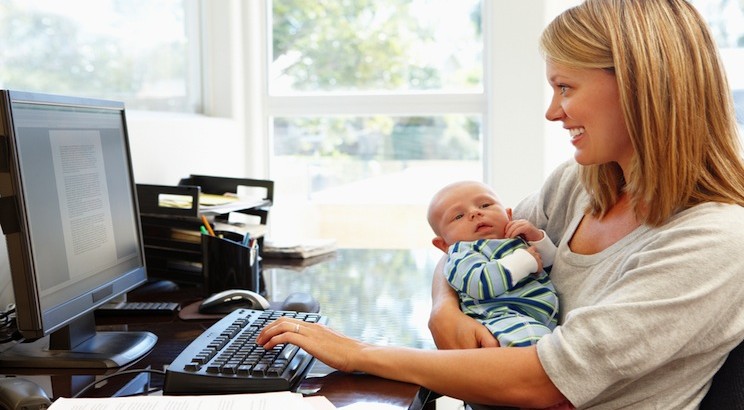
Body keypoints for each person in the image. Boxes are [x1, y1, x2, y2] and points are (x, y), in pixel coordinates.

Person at [258, 0, 744, 407]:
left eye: (565, 87)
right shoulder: (578, 185)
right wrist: (442, 307)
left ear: (640, 87)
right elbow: (468, 243)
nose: (553, 111)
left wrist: (359, 353)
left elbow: (545, 381)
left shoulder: (714, 239)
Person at [427, 180, 559, 348]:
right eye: (458, 216)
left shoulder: (516, 237)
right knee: (539, 350)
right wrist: (524, 261)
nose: (474, 213)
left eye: (485, 205)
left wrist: (536, 238)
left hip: (533, 321)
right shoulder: (463, 253)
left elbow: (554, 266)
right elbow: (479, 282)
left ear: (508, 215)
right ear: (444, 245)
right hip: (500, 321)